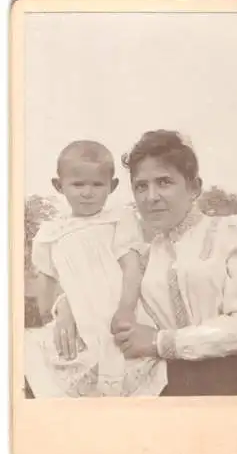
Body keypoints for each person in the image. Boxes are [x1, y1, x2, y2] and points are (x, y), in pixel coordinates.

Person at [55, 131, 237, 396]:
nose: (151, 196)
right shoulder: (143, 256)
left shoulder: (234, 232)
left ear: (194, 187)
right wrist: (65, 305)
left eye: (164, 182)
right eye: (141, 186)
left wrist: (159, 342)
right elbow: (100, 291)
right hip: (169, 386)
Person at [31, 140, 167, 397]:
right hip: (78, 317)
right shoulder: (50, 233)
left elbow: (131, 268)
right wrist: (56, 315)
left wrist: (126, 309)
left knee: (124, 368)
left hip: (116, 310)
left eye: (97, 184)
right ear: (59, 186)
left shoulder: (119, 220)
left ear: (112, 186)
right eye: (78, 184)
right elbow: (46, 280)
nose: (87, 193)